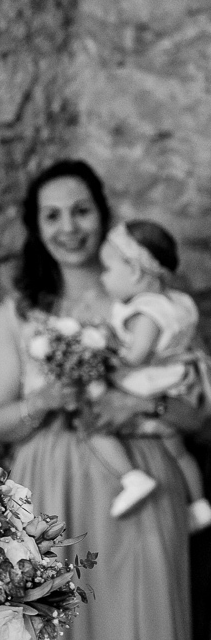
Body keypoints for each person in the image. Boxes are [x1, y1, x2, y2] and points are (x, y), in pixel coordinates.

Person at [0, 160, 202, 640]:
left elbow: (196, 413)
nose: (69, 228)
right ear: (35, 227)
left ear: (103, 215)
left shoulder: (152, 305)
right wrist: (47, 399)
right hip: (48, 493)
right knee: (49, 635)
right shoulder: (20, 312)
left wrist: (140, 407)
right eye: (52, 215)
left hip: (142, 488)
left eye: (81, 211)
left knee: (141, 630)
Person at [85, 219, 211, 525]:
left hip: (149, 385)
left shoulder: (145, 313)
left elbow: (136, 356)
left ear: (135, 271)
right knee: (177, 451)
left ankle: (131, 477)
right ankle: (199, 505)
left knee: (93, 426)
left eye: (108, 269)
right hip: (179, 381)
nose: (103, 277)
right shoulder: (177, 301)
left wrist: (105, 350)